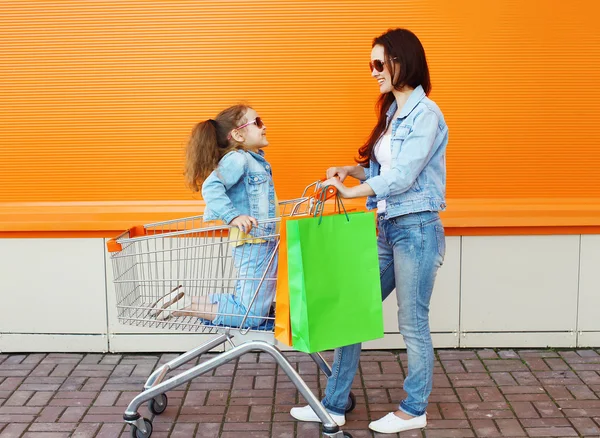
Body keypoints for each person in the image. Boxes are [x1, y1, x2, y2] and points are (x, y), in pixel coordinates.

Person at [290, 28, 448, 433]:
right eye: (371, 64)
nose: (374, 71)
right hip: (387, 226)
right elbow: (383, 169)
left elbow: (404, 174)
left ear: (402, 62)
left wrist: (353, 190)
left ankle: (414, 410)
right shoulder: (393, 111)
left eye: (380, 63)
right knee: (350, 310)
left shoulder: (426, 113)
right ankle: (334, 404)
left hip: (416, 229)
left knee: (412, 321)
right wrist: (352, 170)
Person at [151, 104, 279, 329]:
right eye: (257, 122)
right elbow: (211, 188)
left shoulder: (254, 160)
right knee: (252, 315)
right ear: (238, 134)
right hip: (254, 243)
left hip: (264, 244)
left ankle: (184, 300)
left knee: (253, 308)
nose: (264, 126)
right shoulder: (239, 159)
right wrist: (233, 216)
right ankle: (187, 305)